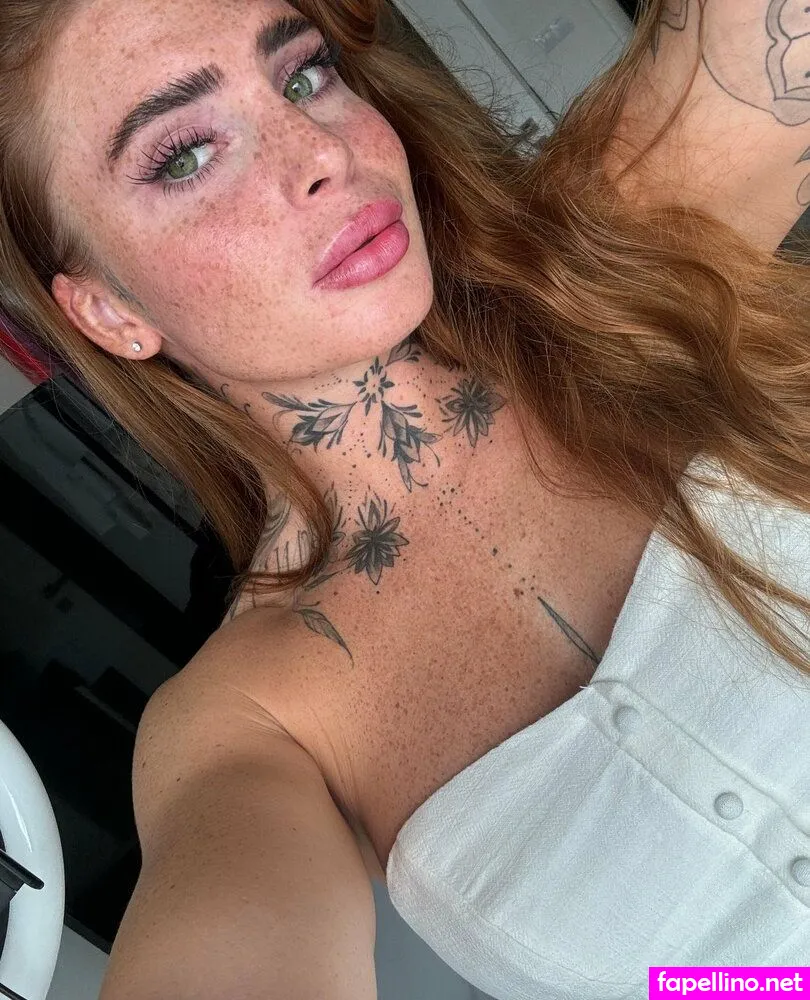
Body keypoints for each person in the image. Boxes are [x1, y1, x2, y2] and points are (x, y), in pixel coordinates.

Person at [1, 0, 809, 996]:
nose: (320, 151)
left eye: (303, 75)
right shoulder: (244, 720)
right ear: (109, 309)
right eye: (186, 156)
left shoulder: (609, 269)